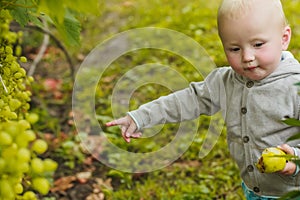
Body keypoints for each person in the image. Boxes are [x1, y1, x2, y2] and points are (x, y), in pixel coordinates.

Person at [106, 0, 300, 198]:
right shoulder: (224, 82)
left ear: (284, 38)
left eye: (258, 45)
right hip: (254, 189)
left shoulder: (295, 87)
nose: (247, 57)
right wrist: (140, 117)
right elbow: (186, 100)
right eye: (234, 49)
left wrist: (295, 160)